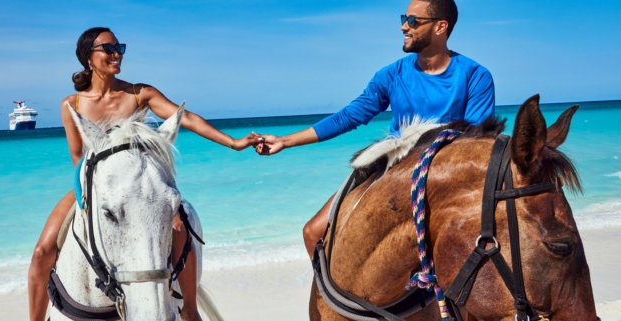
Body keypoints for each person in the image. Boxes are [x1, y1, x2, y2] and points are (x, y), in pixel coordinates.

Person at [27, 27, 258, 321]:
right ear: (88, 57)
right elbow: (77, 156)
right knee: (41, 252)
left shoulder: (139, 93)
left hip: (142, 187)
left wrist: (233, 142)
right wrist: (88, 195)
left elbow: (184, 117)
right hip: (92, 186)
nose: (117, 54)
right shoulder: (71, 104)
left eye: (119, 47)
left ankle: (189, 309)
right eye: (108, 49)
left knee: (178, 227)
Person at [254, 0, 496, 258]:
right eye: (404, 18)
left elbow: (475, 143)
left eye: (413, 20)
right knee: (313, 232)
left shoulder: (475, 76)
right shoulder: (391, 75)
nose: (404, 26)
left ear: (440, 26)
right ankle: (328, 299)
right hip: (393, 166)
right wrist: (285, 141)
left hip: (445, 176)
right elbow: (348, 117)